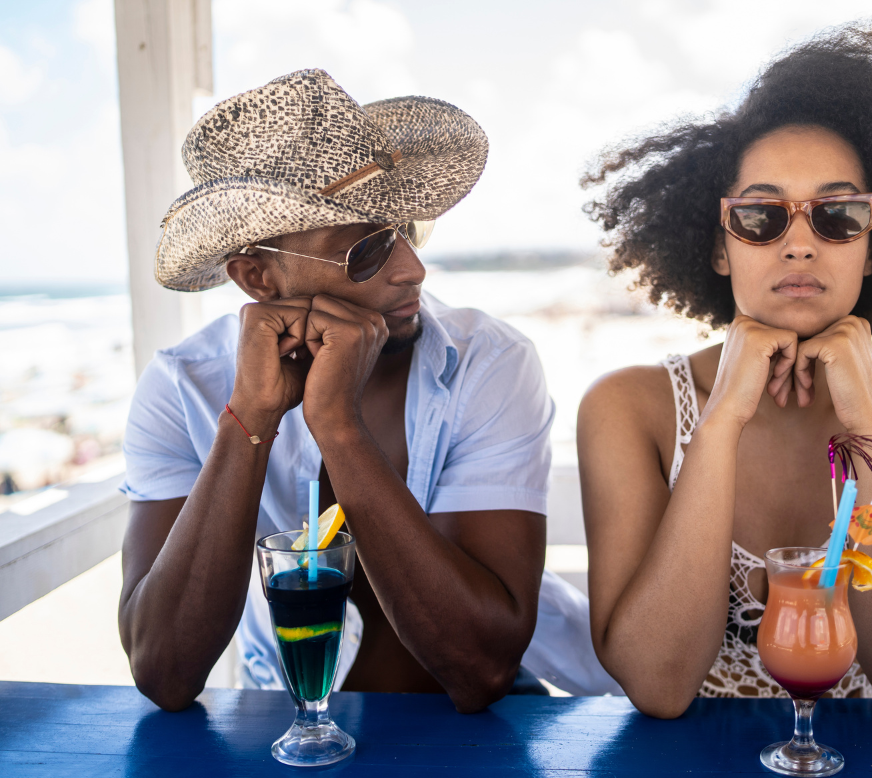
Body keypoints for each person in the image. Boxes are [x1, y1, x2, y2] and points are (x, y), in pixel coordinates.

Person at [576, 19, 872, 718]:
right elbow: (658, 685)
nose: (801, 245)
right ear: (719, 246)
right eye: (761, 217)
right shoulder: (629, 407)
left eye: (838, 214)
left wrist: (869, 421)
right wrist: (720, 422)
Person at [118, 69, 569, 713]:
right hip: (281, 726)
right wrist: (250, 420)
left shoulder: (487, 362)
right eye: (367, 250)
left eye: (408, 229)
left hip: (461, 732)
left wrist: (338, 427)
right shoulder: (183, 386)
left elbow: (482, 669)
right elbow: (164, 671)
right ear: (258, 278)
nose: (412, 268)